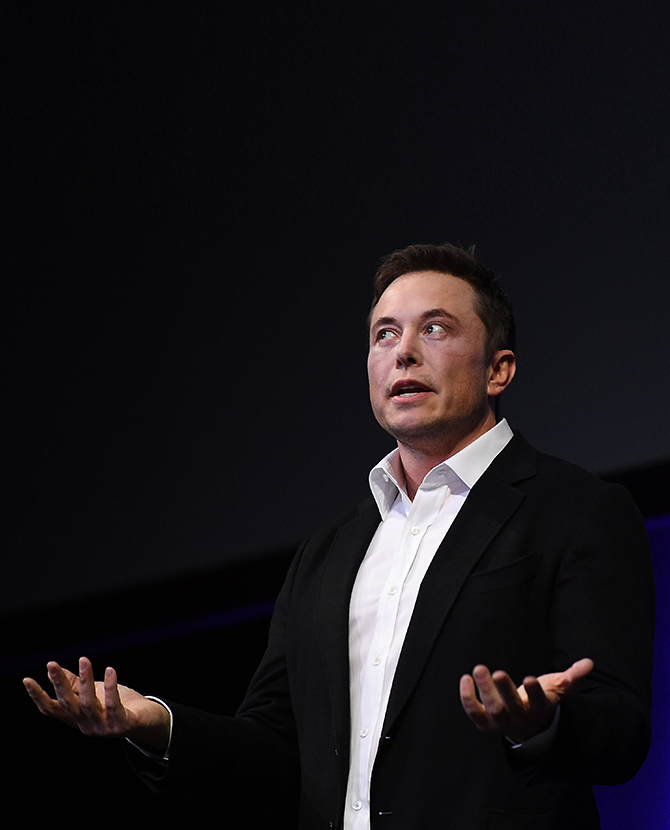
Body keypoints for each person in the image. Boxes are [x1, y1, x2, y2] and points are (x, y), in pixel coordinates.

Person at [24, 243, 655, 829]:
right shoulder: (328, 554)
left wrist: (541, 724)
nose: (404, 353)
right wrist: (153, 724)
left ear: (499, 369)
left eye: (435, 329)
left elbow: (621, 728)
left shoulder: (576, 511)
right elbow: (276, 748)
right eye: (386, 334)